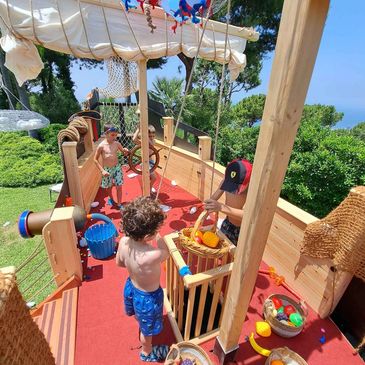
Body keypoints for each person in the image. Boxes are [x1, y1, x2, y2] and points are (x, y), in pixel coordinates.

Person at [116, 196, 170, 362]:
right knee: (147, 332)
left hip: (132, 288)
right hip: (148, 298)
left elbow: (119, 263)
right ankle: (146, 352)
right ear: (148, 235)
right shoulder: (152, 255)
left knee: (141, 318)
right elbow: (166, 251)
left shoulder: (124, 242)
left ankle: (140, 319)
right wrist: (159, 235)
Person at [204, 159, 253, 246]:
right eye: (230, 184)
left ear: (249, 182)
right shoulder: (227, 180)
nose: (232, 189)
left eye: (236, 186)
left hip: (242, 231)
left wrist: (221, 207)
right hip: (227, 223)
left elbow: (247, 216)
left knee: (236, 256)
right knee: (221, 248)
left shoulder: (252, 193)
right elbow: (215, 196)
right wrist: (206, 211)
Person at [94, 125, 129, 208]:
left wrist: (126, 150)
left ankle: (119, 204)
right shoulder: (101, 146)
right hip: (107, 170)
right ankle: (111, 198)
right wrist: (102, 170)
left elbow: (124, 152)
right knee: (109, 187)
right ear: (106, 134)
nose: (114, 137)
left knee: (119, 186)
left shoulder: (117, 144)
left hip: (117, 167)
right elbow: (95, 159)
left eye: (116, 135)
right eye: (112, 135)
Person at [132, 125, 158, 195]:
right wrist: (138, 129)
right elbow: (134, 139)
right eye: (150, 136)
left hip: (151, 162)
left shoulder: (153, 141)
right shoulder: (143, 143)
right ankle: (148, 190)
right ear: (147, 136)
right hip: (144, 162)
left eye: (153, 136)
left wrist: (147, 137)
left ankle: (148, 189)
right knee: (153, 178)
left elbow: (151, 144)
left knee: (151, 177)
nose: (152, 137)